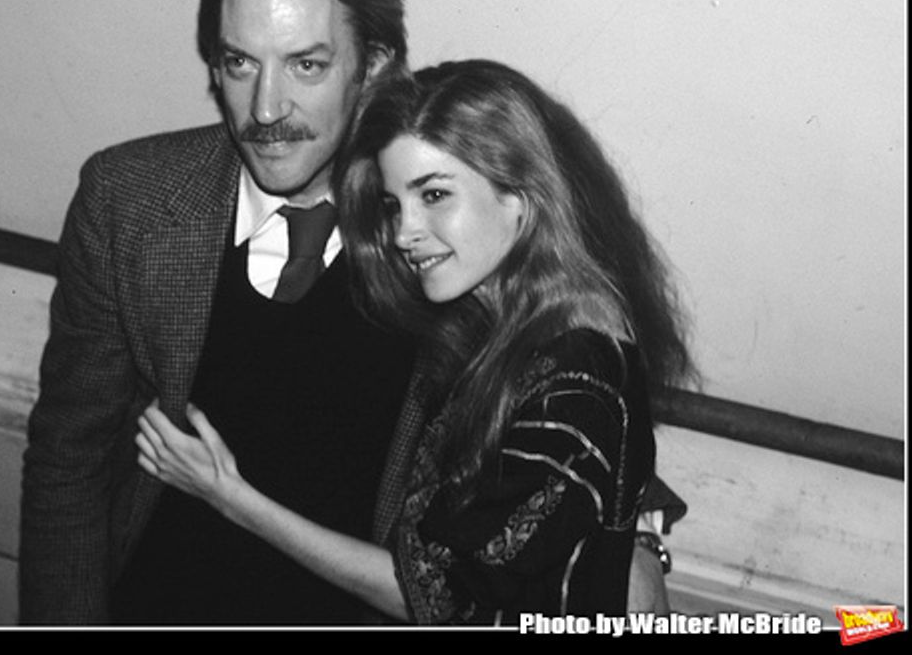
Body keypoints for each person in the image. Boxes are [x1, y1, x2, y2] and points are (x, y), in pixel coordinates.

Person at [19, 0, 683, 626]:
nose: (265, 109)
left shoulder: (441, 233)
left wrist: (636, 539)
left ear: (373, 65)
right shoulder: (129, 202)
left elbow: (562, 368)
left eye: (306, 65)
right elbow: (68, 458)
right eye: (240, 63)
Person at [135, 59, 695, 624]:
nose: (404, 232)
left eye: (435, 195)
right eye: (394, 204)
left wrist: (229, 495)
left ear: (521, 197)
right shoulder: (507, 316)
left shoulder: (573, 375)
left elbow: (432, 596)